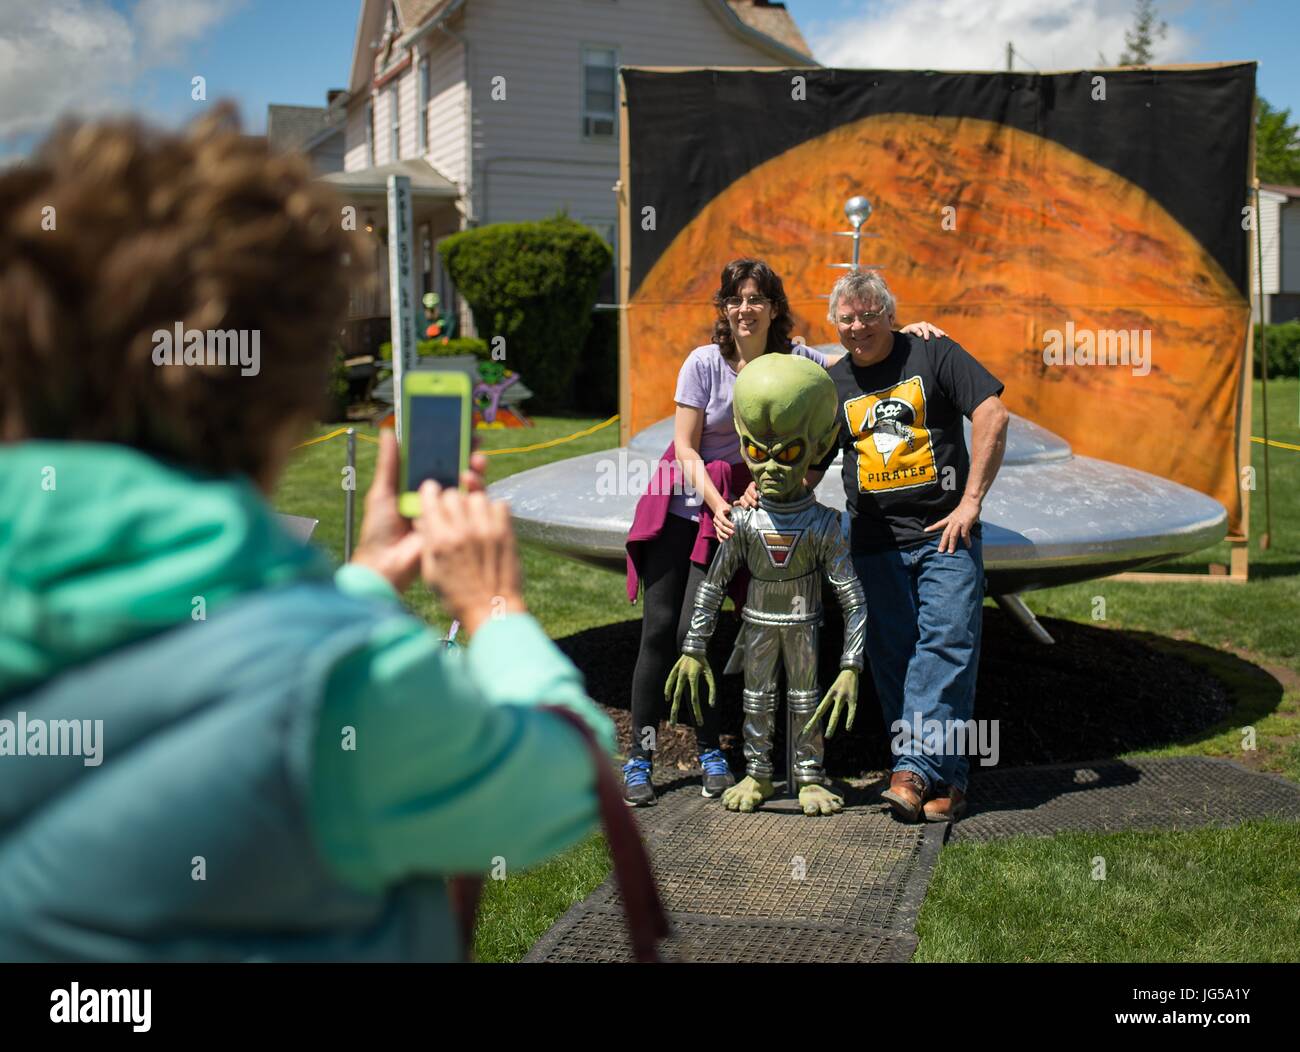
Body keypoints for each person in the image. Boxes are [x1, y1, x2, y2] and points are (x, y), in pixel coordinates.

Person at [0, 106, 614, 961]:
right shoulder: (344, 685)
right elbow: (564, 778)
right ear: (281, 404)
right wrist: (498, 610)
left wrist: (360, 579)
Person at [623, 257, 945, 807]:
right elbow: (685, 446)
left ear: (775, 307)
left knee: (698, 633)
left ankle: (710, 752)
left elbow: (856, 363)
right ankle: (639, 757)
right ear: (725, 309)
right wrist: (720, 504)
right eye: (734, 300)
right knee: (659, 631)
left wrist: (905, 333)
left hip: (749, 502)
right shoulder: (704, 363)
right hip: (690, 499)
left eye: (756, 299)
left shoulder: (798, 360)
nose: (744, 310)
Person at [803, 270, 1009, 823]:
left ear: (890, 314)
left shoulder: (934, 353)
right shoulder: (834, 383)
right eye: (846, 317)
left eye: (869, 314)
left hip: (946, 536)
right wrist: (762, 482)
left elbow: (993, 413)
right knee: (895, 661)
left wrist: (969, 503)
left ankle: (910, 770)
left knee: (944, 648)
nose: (857, 325)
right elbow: (810, 466)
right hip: (874, 545)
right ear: (835, 324)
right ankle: (948, 782)